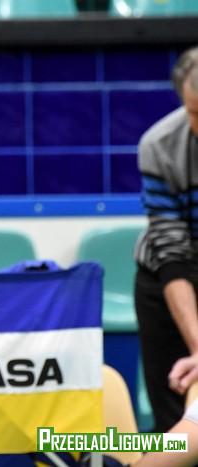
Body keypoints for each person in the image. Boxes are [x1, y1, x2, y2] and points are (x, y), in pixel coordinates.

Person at [134, 45, 198, 433]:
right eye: (194, 113)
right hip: (168, 281)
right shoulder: (159, 145)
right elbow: (171, 255)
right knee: (174, 420)